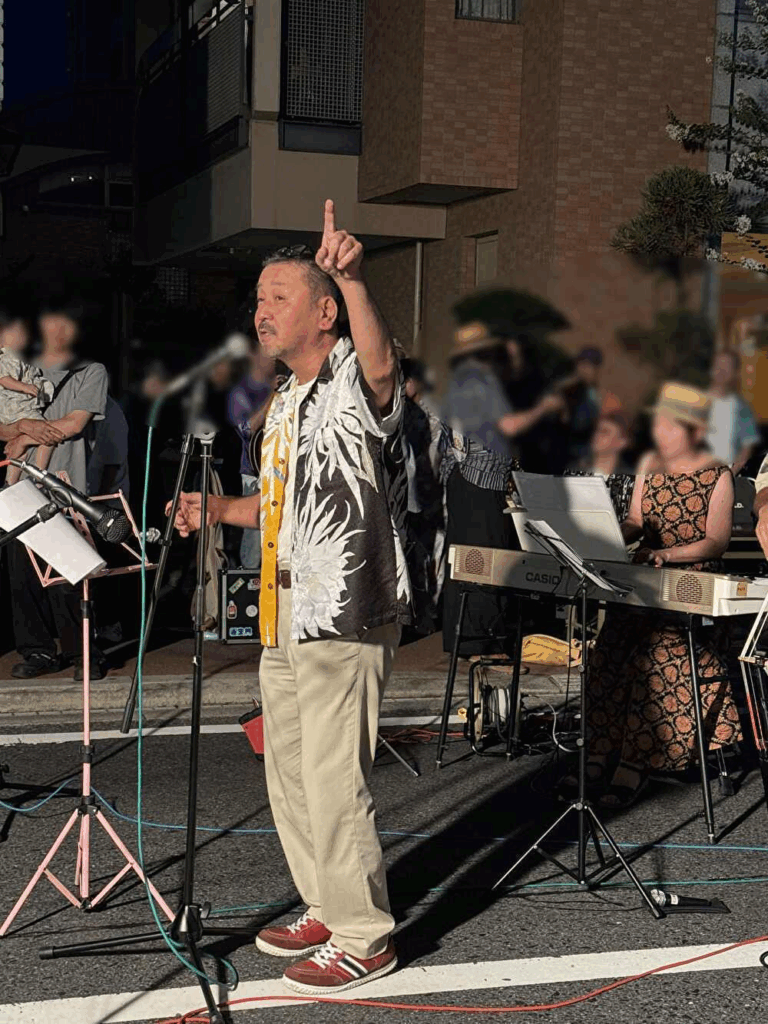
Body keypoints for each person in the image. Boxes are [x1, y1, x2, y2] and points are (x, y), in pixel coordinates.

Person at [170, 201, 405, 995]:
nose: (261, 311)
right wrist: (216, 510)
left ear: (324, 312)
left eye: (279, 297)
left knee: (336, 780)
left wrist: (354, 279)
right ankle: (327, 905)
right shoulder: (284, 399)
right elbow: (279, 506)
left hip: (344, 608)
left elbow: (381, 370)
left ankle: (366, 936)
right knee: (293, 775)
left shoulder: (352, 378)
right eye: (259, 299)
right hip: (283, 612)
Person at [578, 381, 741, 806]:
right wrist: (609, 535)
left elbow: (716, 542)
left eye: (670, 425)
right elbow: (636, 519)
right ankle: (598, 755)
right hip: (646, 582)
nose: (660, 432)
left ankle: (635, 763)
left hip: (691, 589)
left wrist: (666, 554)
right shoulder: (650, 464)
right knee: (608, 648)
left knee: (655, 657)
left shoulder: (718, 474)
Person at [3, 297, 109, 681]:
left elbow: (74, 424)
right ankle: (38, 652)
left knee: (67, 577)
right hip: (21, 490)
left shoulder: (91, 371)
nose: (58, 329)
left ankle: (84, 654)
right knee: (22, 578)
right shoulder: (21, 367)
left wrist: (25, 434)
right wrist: (20, 429)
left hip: (65, 491)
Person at [442, 321, 564, 463]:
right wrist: (544, 407)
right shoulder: (484, 378)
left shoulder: (455, 384)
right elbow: (509, 426)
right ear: (487, 350)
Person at [226, 341, 275, 569]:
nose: (273, 359)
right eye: (267, 354)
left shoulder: (284, 384)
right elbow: (247, 429)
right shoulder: (241, 392)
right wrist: (272, 396)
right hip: (254, 474)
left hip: (282, 471)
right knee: (254, 538)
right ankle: (250, 581)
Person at [0, 307, 56, 484]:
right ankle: (40, 474)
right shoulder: (10, 356)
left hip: (17, 408)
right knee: (48, 435)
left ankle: (10, 483)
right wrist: (24, 387)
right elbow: (3, 378)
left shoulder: (21, 357)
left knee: (19, 451)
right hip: (17, 407)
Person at [707, 349, 760, 474]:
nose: (722, 370)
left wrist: (730, 475)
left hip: (726, 475)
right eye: (718, 365)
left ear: (735, 373)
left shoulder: (742, 408)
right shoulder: (696, 403)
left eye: (727, 366)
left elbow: (747, 448)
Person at [564, 347, 604, 466]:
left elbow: (583, 426)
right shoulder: (566, 388)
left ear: (596, 370)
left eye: (588, 366)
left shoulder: (593, 396)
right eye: (581, 365)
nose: (583, 370)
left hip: (577, 456)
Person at [568, 412, 633, 478]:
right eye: (597, 430)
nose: (596, 435)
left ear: (622, 442)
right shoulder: (575, 468)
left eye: (604, 432)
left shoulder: (628, 477)